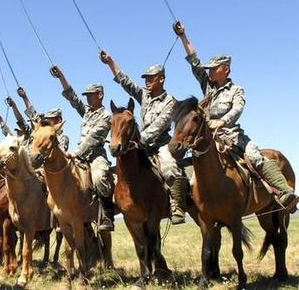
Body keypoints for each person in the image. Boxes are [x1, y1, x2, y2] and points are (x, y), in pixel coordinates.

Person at [173, 22, 298, 212]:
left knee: (256, 157)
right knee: (186, 165)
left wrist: (221, 122)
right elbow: (194, 62)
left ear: (225, 69)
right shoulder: (207, 86)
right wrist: (183, 36)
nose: (210, 71)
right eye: (210, 68)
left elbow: (237, 110)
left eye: (214, 68)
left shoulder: (236, 90)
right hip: (206, 138)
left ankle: (284, 192)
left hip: (231, 135)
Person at [100, 51, 189, 224]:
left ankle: (176, 204)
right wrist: (110, 62)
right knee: (120, 173)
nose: (146, 81)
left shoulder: (170, 102)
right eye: (146, 79)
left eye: (151, 78)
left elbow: (159, 126)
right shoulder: (144, 96)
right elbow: (125, 82)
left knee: (170, 168)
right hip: (139, 145)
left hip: (160, 144)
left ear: (161, 79)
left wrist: (138, 141)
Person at [50, 65, 115, 231]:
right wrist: (61, 77)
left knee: (100, 177)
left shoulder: (106, 116)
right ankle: (60, 215)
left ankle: (107, 214)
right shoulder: (86, 112)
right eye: (86, 96)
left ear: (100, 95)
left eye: (91, 95)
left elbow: (93, 138)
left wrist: (76, 153)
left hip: (95, 156)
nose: (87, 99)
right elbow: (72, 97)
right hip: (79, 157)